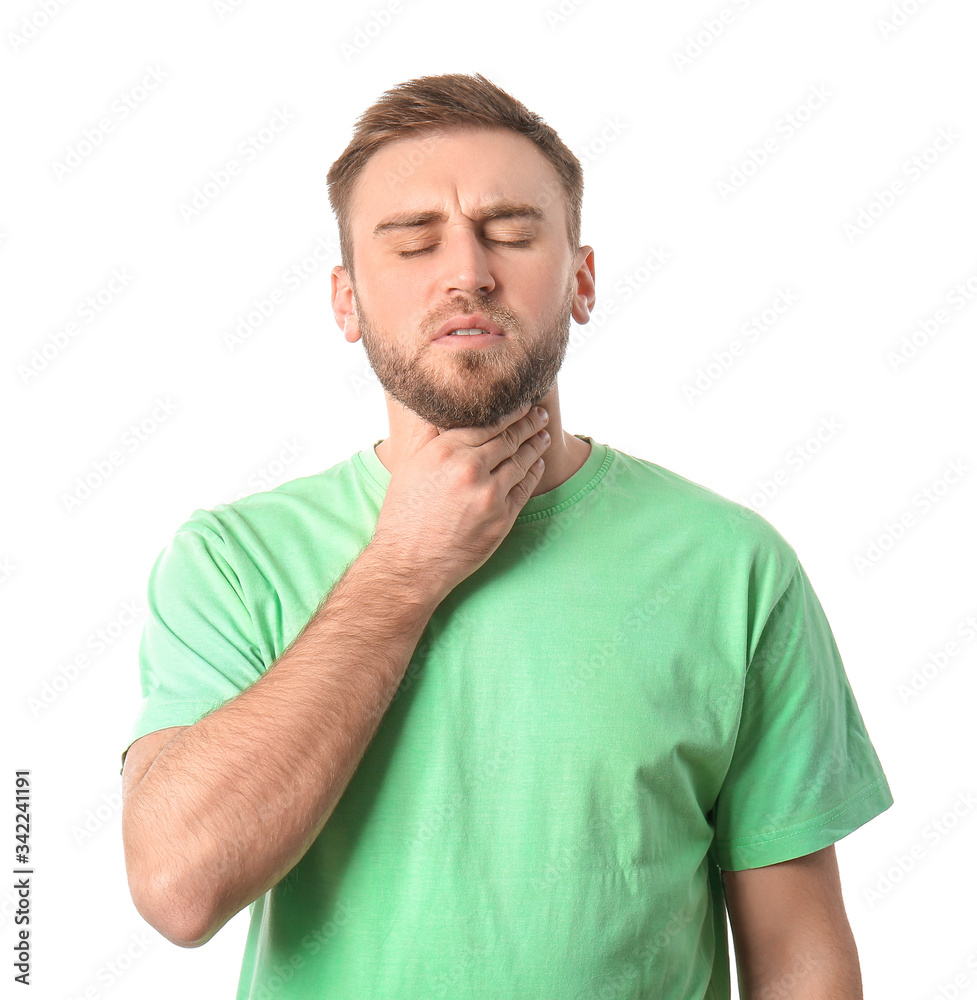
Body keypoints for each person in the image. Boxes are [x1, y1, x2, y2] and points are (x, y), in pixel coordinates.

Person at [121, 72, 893, 999]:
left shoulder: (734, 568)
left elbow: (800, 957)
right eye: (412, 242)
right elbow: (177, 887)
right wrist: (405, 567)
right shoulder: (230, 564)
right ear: (345, 301)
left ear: (580, 278)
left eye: (512, 233)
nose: (467, 273)